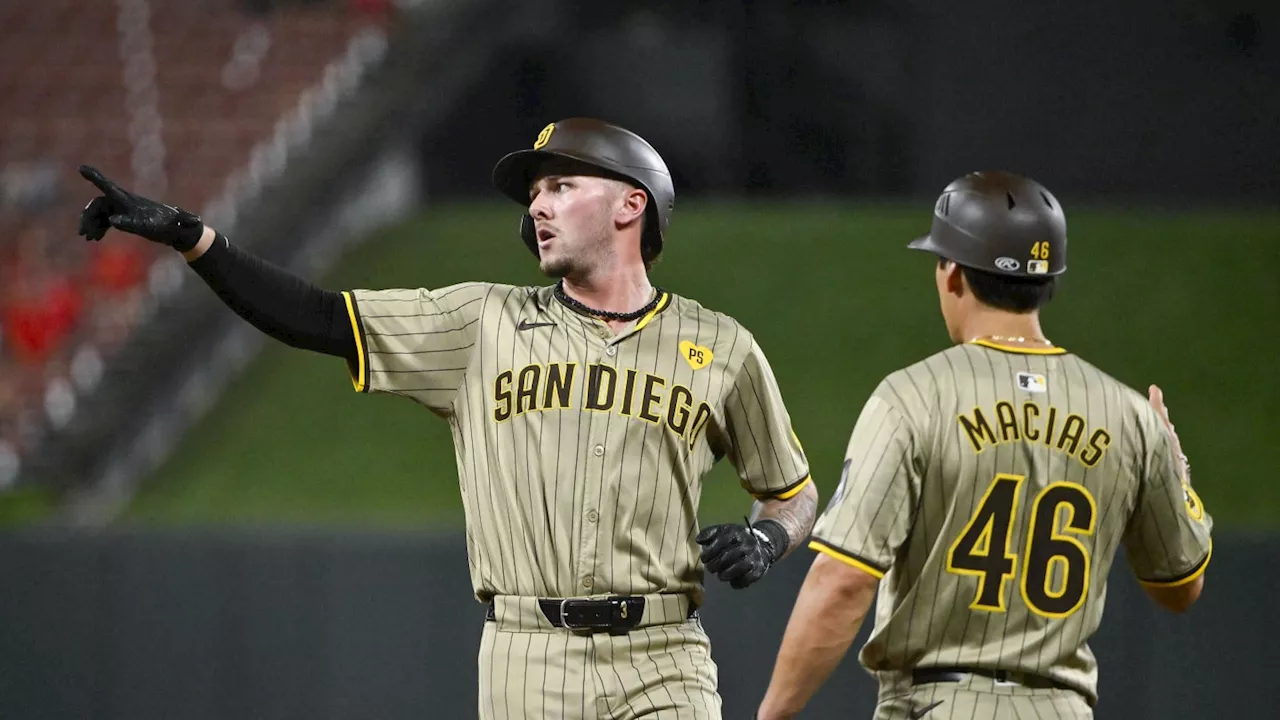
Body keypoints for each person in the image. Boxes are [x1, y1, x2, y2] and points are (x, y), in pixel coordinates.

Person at [78, 117, 819, 719]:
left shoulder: (719, 346)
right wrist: (192, 239)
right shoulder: (480, 323)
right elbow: (315, 318)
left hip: (666, 659)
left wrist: (767, 536)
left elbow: (793, 493)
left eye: (561, 185)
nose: (538, 204)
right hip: (529, 660)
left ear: (632, 204)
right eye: (534, 194)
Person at [755, 171, 1212, 719]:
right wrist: (1178, 474)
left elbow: (843, 581)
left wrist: (773, 714)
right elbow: (1179, 585)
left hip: (937, 705)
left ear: (952, 276)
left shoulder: (913, 396)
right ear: (1049, 283)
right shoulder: (1131, 416)